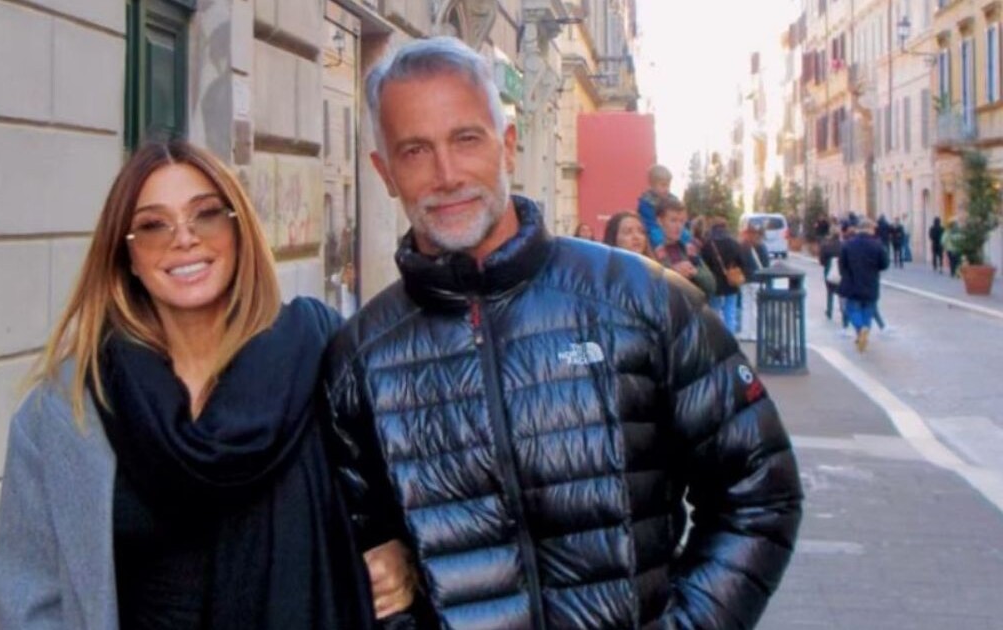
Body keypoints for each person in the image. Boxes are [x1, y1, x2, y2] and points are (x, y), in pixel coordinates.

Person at [323, 36, 803, 630]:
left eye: (466, 139)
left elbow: (760, 489)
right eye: (415, 150)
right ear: (385, 172)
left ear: (508, 146)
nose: (446, 175)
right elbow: (360, 558)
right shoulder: (359, 361)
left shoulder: (640, 299)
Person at [0, 141, 375, 630]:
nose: (184, 239)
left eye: (206, 215)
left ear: (238, 230)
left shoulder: (322, 363)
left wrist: (398, 558)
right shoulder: (67, 409)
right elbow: (30, 600)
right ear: (127, 255)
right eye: (154, 225)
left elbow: (405, 509)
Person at [839, 217, 890, 353]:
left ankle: (860, 329)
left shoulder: (847, 245)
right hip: (871, 283)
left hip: (852, 283)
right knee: (869, 309)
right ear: (870, 229)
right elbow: (885, 264)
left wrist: (846, 276)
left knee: (851, 309)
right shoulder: (877, 245)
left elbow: (842, 265)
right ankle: (864, 331)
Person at [653, 195, 715, 296]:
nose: (679, 226)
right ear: (660, 221)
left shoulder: (689, 249)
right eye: (673, 220)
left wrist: (694, 272)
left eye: (681, 221)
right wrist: (673, 273)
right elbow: (651, 289)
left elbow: (712, 285)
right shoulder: (652, 251)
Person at [637, 163, 693, 259]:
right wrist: (659, 240)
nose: (666, 189)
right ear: (652, 185)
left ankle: (688, 247)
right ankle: (660, 249)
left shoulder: (672, 199)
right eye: (663, 185)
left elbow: (681, 216)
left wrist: (686, 235)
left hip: (669, 227)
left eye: (668, 185)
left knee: (684, 232)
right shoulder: (647, 202)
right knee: (655, 233)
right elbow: (648, 222)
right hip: (654, 226)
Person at [700, 217, 745, 333]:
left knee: (714, 310)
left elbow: (704, 264)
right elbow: (741, 261)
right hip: (732, 281)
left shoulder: (708, 244)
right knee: (730, 311)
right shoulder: (734, 243)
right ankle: (730, 336)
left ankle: (716, 336)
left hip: (715, 282)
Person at [819, 231, 844, 322]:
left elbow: (822, 261)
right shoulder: (844, 246)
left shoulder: (826, 246)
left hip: (829, 270)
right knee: (842, 292)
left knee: (830, 291)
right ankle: (843, 310)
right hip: (841, 271)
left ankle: (829, 310)